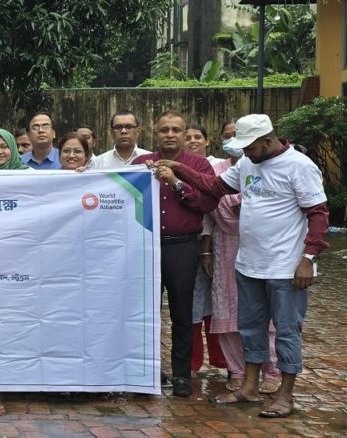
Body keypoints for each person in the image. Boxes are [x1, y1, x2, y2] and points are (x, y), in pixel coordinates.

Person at [155, 114, 328, 418]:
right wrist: (179, 168)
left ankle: (285, 394)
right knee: (250, 329)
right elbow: (214, 186)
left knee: (286, 330)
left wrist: (309, 258)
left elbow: (318, 214)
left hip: (285, 266)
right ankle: (249, 386)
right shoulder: (248, 163)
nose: (245, 152)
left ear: (268, 140)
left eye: (250, 146)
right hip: (249, 264)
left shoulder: (299, 166)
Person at [134, 110, 218, 398]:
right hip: (145, 246)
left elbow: (208, 203)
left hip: (182, 246)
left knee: (182, 312)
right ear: (155, 134)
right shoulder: (140, 164)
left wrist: (176, 182)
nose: (170, 135)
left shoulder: (199, 165)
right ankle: (147, 372)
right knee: (145, 312)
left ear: (183, 134)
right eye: (164, 130)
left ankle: (182, 375)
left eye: (176, 130)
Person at [205, 138, 282, 393]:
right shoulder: (218, 172)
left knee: (266, 314)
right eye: (230, 136)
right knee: (228, 311)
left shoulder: (272, 168)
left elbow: (280, 206)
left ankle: (272, 371)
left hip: (263, 246)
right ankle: (237, 370)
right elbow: (212, 205)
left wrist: (250, 208)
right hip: (226, 247)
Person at [187, 122, 228, 376]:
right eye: (188, 137)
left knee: (219, 300)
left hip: (221, 240)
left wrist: (208, 245)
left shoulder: (220, 167)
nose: (193, 141)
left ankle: (222, 358)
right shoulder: (176, 166)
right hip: (188, 241)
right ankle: (193, 361)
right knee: (193, 300)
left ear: (208, 140)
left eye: (197, 137)